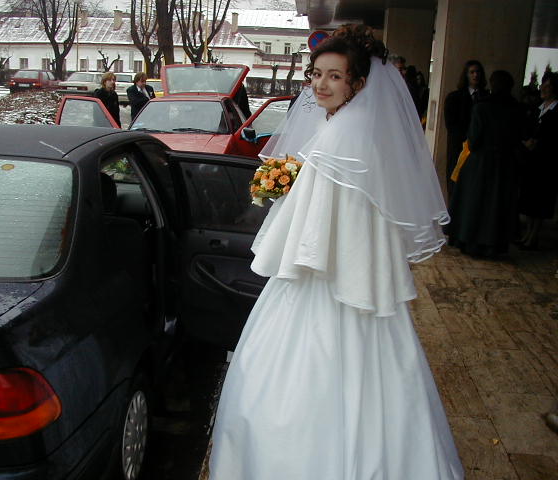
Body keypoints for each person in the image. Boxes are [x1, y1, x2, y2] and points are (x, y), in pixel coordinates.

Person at [209, 25, 463, 480]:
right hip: (347, 269)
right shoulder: (351, 127)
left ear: (358, 84)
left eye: (335, 76)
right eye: (317, 74)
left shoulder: (343, 136)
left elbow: (322, 224)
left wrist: (287, 200)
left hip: (328, 275)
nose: (321, 85)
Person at [445, 70, 524, 257]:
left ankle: (469, 240)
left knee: (475, 202)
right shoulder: (516, 109)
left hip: (481, 162)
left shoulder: (482, 107)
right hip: (505, 164)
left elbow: (473, 140)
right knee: (497, 205)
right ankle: (494, 244)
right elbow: (518, 137)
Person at [517, 72, 558, 250]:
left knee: (541, 200)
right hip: (531, 161)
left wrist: (539, 143)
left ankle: (533, 235)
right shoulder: (537, 109)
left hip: (547, 162)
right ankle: (527, 233)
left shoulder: (556, 111)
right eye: (543, 85)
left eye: (548, 86)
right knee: (530, 199)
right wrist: (526, 141)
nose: (544, 89)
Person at [444, 60, 489, 198]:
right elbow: (451, 125)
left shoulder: (487, 98)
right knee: (455, 183)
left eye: (478, 72)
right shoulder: (454, 98)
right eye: (472, 72)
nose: (475, 75)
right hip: (459, 147)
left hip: (479, 150)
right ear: (466, 75)